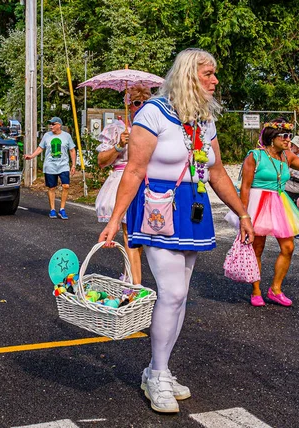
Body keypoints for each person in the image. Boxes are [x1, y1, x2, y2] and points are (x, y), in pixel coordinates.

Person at [97, 48, 254, 414]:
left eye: (215, 74)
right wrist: (114, 220)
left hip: (193, 212)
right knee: (171, 291)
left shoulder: (204, 119)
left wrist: (242, 213)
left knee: (180, 295)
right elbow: (133, 171)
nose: (215, 80)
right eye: (208, 73)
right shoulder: (152, 112)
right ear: (188, 74)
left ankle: (157, 369)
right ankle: (158, 374)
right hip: (157, 208)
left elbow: (216, 173)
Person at [238, 119, 299, 307]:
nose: (289, 140)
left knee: (288, 247)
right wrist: (244, 216)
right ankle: (256, 291)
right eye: (285, 136)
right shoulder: (255, 156)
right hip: (257, 203)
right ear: (272, 138)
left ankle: (275, 289)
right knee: (257, 248)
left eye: (290, 136)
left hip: (280, 202)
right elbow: (245, 187)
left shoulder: (287, 156)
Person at [95, 84, 151, 286]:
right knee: (129, 232)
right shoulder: (117, 128)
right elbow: (101, 161)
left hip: (148, 182)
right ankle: (134, 283)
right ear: (128, 104)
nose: (141, 106)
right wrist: (119, 145)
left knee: (142, 233)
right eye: (137, 103)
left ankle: (129, 273)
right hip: (124, 181)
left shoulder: (154, 128)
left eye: (146, 103)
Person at [24, 117, 76, 219]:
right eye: (50, 124)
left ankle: (62, 209)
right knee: (52, 187)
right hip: (50, 165)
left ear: (59, 125)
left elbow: (72, 150)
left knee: (66, 186)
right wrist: (31, 156)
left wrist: (73, 165)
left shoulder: (67, 136)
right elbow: (40, 148)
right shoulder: (47, 136)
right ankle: (52, 209)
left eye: (53, 124)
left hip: (63, 165)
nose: (51, 126)